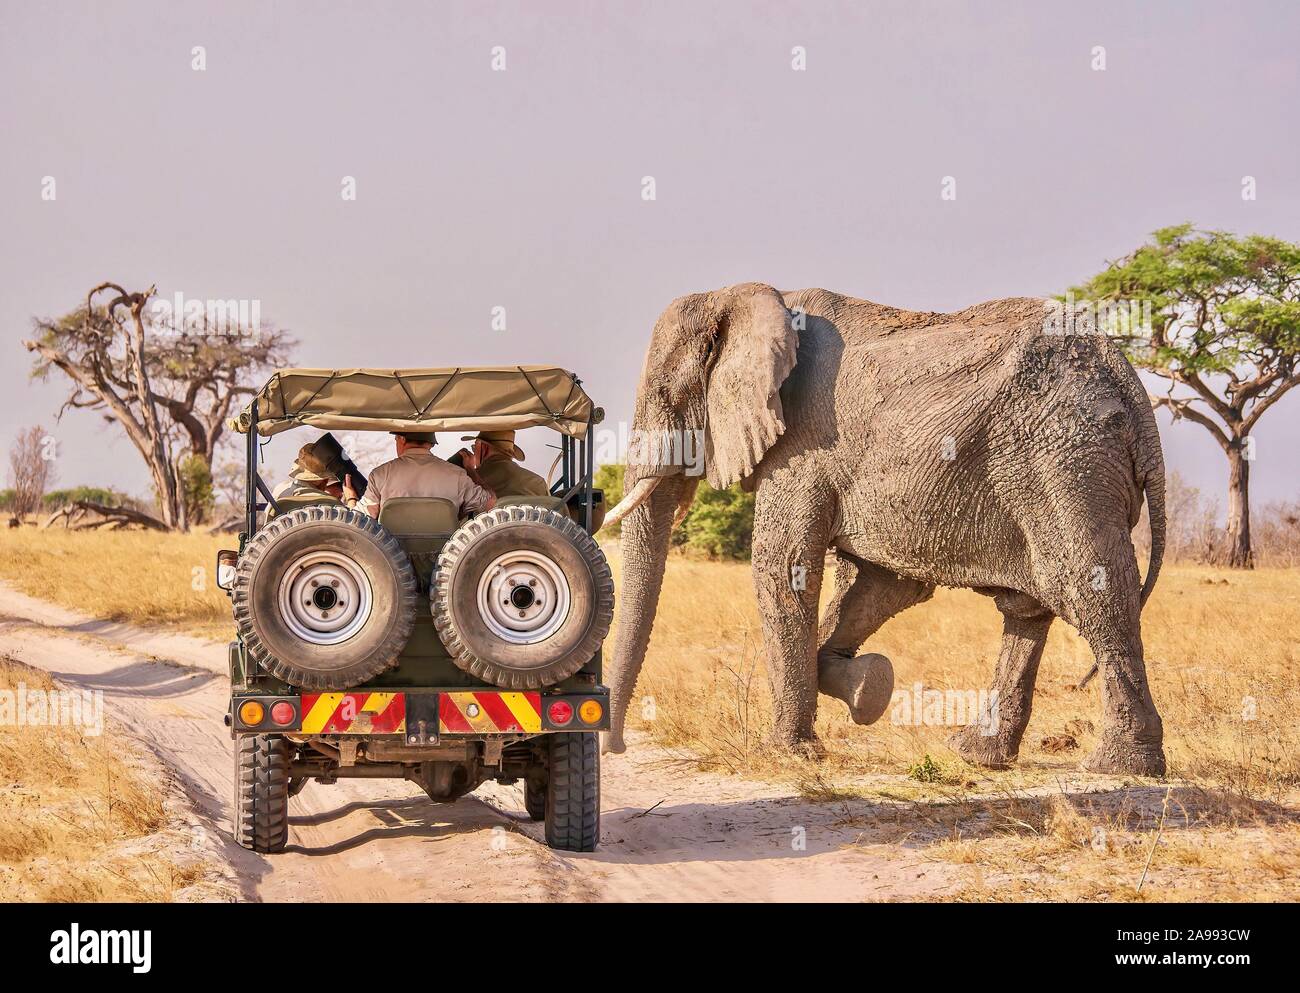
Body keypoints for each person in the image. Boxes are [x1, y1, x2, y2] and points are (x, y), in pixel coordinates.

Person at [347, 431, 495, 518]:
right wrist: (471, 470)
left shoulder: (379, 474)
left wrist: (351, 498)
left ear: (402, 439)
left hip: (394, 561)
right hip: (445, 561)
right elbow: (491, 504)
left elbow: (360, 521)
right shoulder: (458, 476)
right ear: (430, 443)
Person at [455, 430, 549, 499]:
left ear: (484, 448)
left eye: (474, 447)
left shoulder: (469, 480)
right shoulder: (539, 483)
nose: (474, 453)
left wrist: (468, 470)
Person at [273, 442, 345, 502]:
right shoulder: (323, 499)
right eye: (326, 478)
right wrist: (352, 499)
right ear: (322, 480)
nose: (326, 482)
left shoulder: (280, 488)